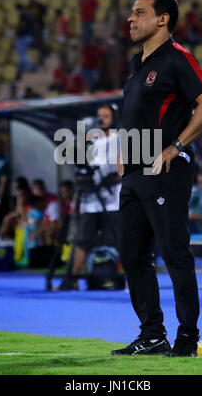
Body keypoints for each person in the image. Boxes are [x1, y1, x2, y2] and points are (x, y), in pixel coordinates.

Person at [113, 0, 202, 357]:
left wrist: (177, 146)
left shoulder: (178, 59)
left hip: (165, 172)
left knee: (174, 252)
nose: (131, 18)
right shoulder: (136, 66)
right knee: (131, 255)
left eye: (139, 12)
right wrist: (122, 152)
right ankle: (152, 335)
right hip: (134, 174)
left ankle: (187, 338)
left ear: (163, 19)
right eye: (132, 12)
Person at [59, 104, 122, 291]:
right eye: (99, 116)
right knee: (81, 242)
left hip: (113, 202)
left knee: (119, 241)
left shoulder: (121, 140)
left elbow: (126, 167)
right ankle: (72, 279)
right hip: (89, 202)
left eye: (106, 116)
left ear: (114, 118)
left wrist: (115, 177)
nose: (102, 119)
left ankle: (127, 278)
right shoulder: (88, 141)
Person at [46, 180, 74, 291]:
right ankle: (51, 278)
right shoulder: (64, 204)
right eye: (62, 192)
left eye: (66, 191)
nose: (64, 194)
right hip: (65, 233)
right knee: (58, 253)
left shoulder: (77, 202)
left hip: (75, 233)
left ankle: (72, 280)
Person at [15, 4, 37, 79]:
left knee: (22, 55)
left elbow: (22, 25)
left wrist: (16, 27)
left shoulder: (23, 15)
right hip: (28, 36)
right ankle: (20, 69)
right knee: (22, 55)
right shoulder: (29, 15)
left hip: (23, 37)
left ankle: (32, 67)